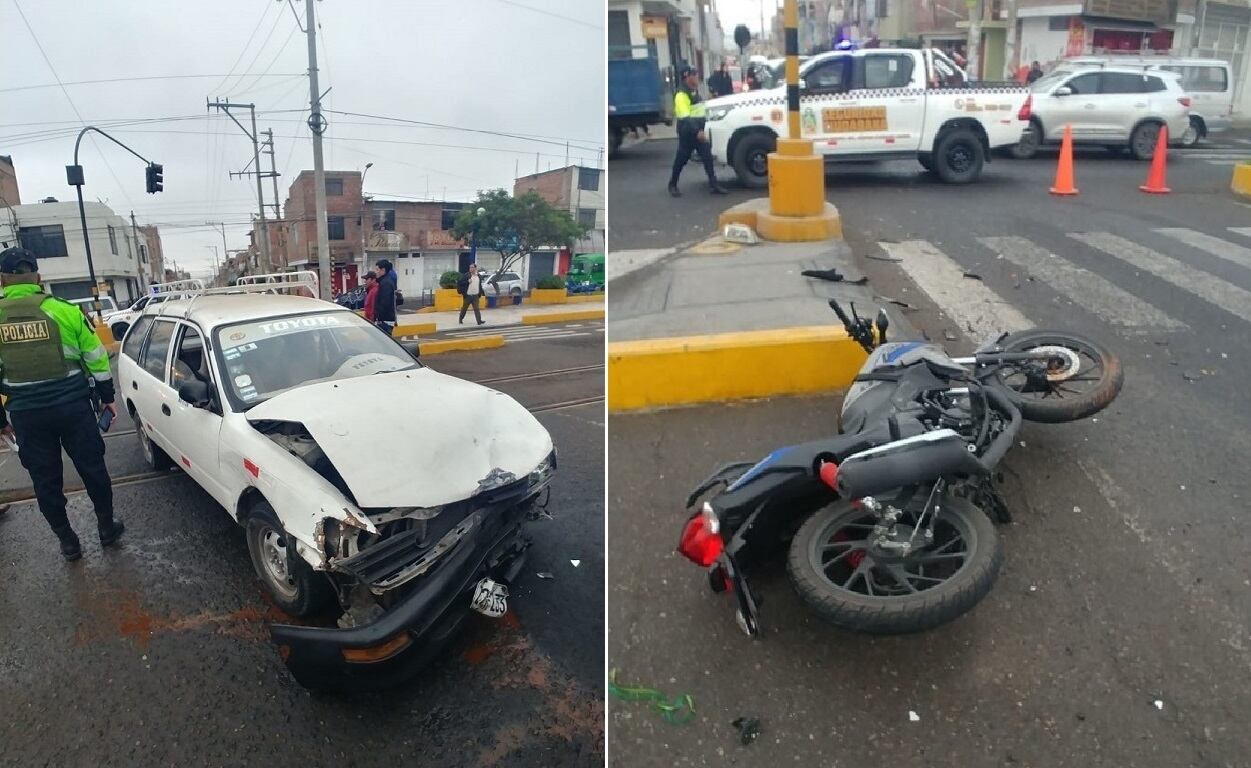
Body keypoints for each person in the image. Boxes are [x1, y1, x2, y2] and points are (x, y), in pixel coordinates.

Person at [0, 247, 123, 561]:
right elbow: (96, 358)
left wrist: (1, 421)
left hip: (26, 416)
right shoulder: (65, 310)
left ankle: (68, 542)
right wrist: (107, 398)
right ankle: (107, 529)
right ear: (39, 278)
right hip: (73, 408)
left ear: (2, 281)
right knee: (93, 470)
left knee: (45, 480)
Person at [668, 66, 728, 198]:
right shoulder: (681, 94)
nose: (697, 77)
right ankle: (672, 184)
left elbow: (699, 110)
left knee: (707, 157)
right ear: (687, 77)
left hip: (698, 131)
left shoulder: (694, 91)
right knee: (681, 159)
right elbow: (685, 117)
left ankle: (714, 185)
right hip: (687, 132)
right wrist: (697, 132)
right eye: (694, 75)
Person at [372, 260, 397, 336]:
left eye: (377, 269)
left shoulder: (386, 283)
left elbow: (384, 303)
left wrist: (377, 317)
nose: (375, 272)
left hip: (385, 321)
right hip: (384, 320)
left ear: (383, 270)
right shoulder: (383, 281)